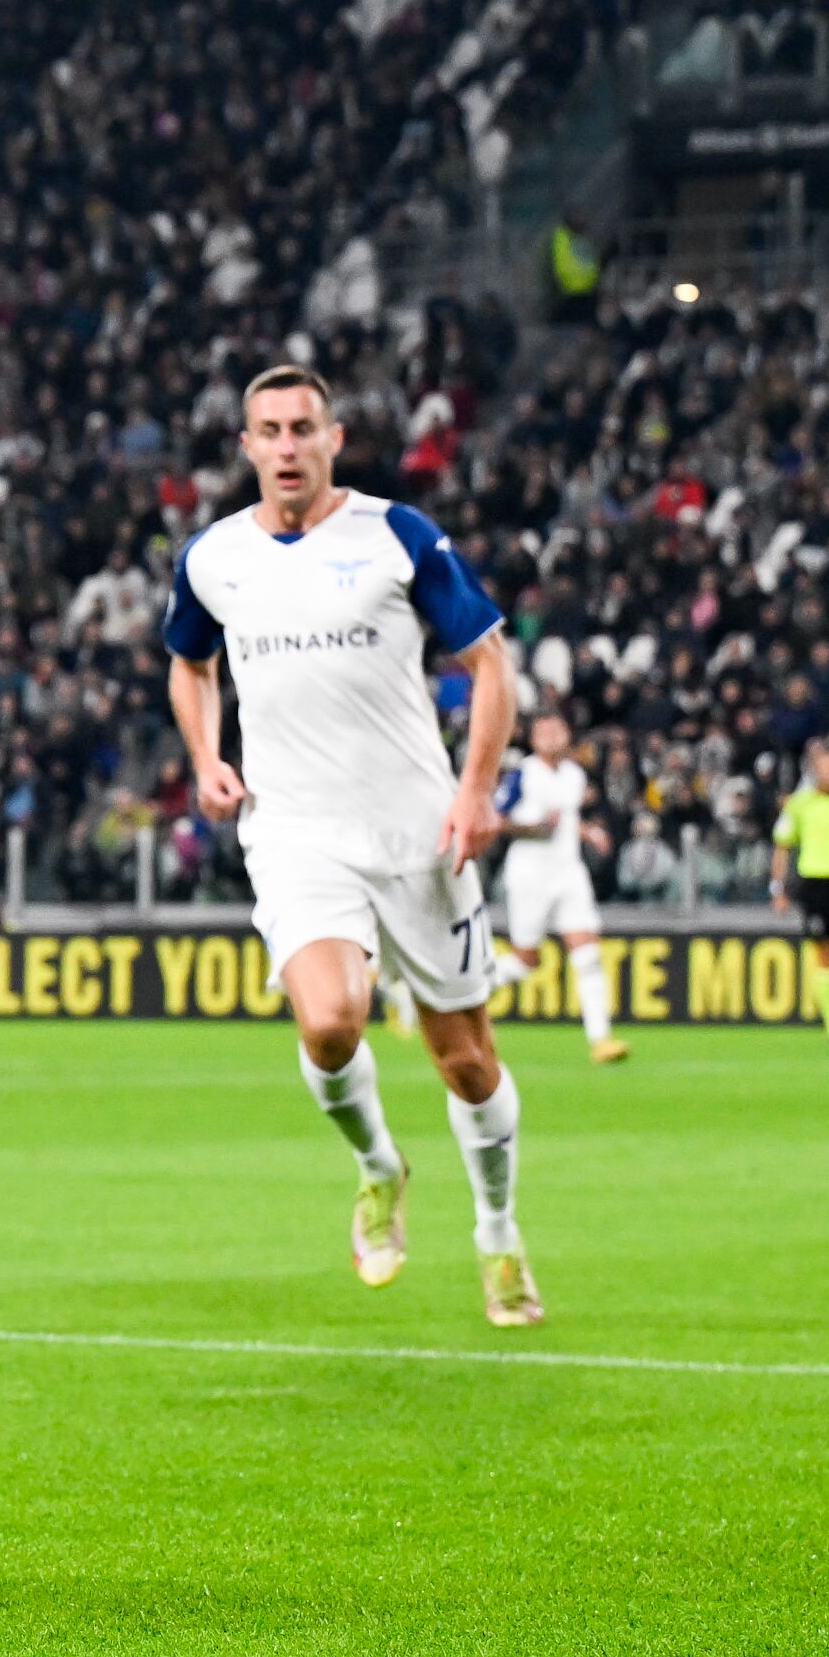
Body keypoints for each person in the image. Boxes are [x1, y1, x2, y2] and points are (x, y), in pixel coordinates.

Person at [166, 365, 540, 1330]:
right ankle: (380, 1167)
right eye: (268, 431)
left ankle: (496, 1232)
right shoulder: (212, 558)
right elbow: (188, 663)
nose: (286, 447)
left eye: (302, 428)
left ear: (333, 439)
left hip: (418, 834)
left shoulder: (396, 536)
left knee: (464, 1060)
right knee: (329, 1021)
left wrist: (473, 789)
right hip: (293, 830)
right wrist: (205, 754)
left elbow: (489, 663)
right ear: (245, 446)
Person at [492, 708, 627, 1064]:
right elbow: (496, 819)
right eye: (544, 731)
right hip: (530, 874)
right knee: (525, 961)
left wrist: (588, 832)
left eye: (557, 729)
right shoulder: (523, 775)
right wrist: (535, 827)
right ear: (533, 739)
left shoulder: (574, 775)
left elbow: (566, 817)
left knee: (587, 953)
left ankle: (601, 1039)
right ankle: (456, 993)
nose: (552, 737)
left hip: (568, 872)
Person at [776, 739, 829, 1032]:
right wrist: (780, 889)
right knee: (824, 953)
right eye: (824, 768)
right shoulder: (800, 803)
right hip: (816, 882)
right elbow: (783, 845)